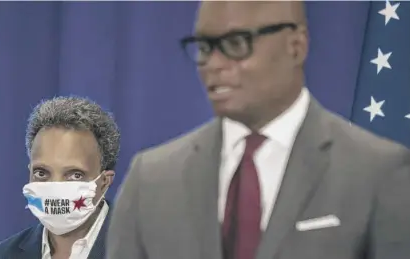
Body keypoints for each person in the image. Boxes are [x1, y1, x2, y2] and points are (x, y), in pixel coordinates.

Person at [107, 2, 410, 259]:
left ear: (296, 46)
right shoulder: (150, 179)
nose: (213, 64)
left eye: (236, 44)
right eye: (205, 47)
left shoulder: (378, 172)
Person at [0, 96, 120, 259]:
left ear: (104, 182)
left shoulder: (147, 250)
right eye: (41, 173)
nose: (55, 187)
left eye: (75, 175)